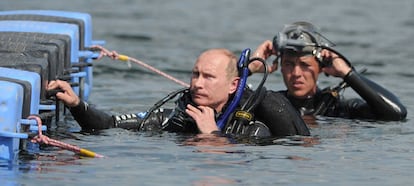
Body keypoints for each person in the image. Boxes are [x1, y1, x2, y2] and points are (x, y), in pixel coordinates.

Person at [47, 48, 310, 139]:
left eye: (208, 77)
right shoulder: (177, 117)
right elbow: (109, 125)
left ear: (233, 85)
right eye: (196, 74)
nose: (197, 83)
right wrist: (77, 104)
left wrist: (212, 135)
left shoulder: (253, 128)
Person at [249, 21, 407, 121]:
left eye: (305, 65)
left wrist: (347, 73)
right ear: (280, 67)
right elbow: (225, 98)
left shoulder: (337, 109)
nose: (296, 73)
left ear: (320, 67)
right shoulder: (270, 103)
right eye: (289, 64)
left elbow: (396, 113)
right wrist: (250, 68)